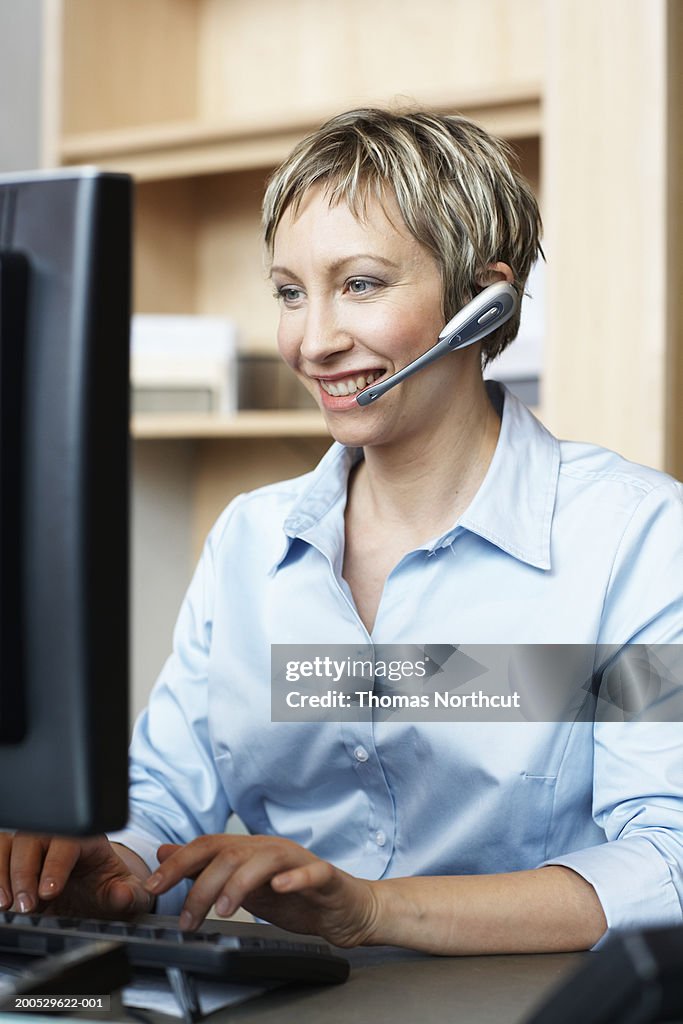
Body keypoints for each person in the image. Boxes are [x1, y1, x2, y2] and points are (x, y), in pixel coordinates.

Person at [2, 108, 682, 955]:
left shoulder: (637, 539)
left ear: (482, 297)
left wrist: (374, 909)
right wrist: (110, 865)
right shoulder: (249, 542)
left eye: (359, 284)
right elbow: (163, 802)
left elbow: (666, 864)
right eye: (290, 292)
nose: (312, 342)